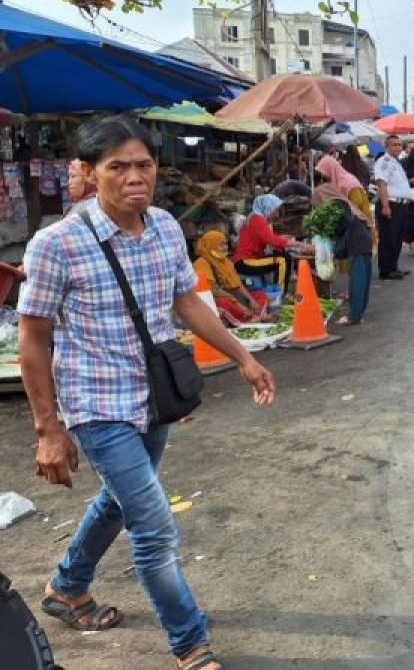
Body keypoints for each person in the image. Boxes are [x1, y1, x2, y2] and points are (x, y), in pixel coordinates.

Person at [17, 115, 276, 670]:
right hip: (95, 404)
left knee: (121, 499)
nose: (136, 176)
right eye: (118, 167)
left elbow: (187, 303)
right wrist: (48, 429)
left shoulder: (162, 227)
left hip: (153, 398)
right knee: (155, 527)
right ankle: (191, 645)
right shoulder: (56, 244)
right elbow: (32, 338)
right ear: (88, 173)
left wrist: (245, 359)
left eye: (144, 164)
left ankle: (67, 587)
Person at [232, 194, 310, 294]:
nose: (278, 214)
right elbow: (273, 241)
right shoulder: (257, 220)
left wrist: (283, 239)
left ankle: (279, 291)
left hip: (252, 259)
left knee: (285, 256)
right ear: (268, 207)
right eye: (276, 210)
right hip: (245, 262)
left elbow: (269, 239)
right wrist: (301, 245)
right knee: (282, 261)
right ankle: (280, 294)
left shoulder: (258, 218)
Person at [193, 231, 267, 325]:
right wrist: (238, 305)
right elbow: (215, 291)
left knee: (259, 294)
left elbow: (238, 284)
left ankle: (254, 316)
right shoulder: (201, 263)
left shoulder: (226, 262)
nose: (225, 248)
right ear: (210, 246)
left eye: (226, 244)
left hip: (232, 295)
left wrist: (251, 300)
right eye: (221, 245)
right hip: (216, 298)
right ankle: (247, 319)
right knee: (224, 304)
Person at [373, 135, 414, 279]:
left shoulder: (396, 163)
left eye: (399, 144)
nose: (398, 147)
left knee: (397, 238)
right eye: (394, 144)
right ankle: (386, 270)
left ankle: (393, 266)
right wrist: (385, 206)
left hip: (401, 205)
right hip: (391, 204)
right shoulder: (384, 162)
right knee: (388, 239)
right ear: (387, 147)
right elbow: (382, 184)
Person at [328, 198, 374, 326]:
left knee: (357, 282)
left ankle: (354, 316)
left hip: (358, 246)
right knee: (363, 281)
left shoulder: (343, 218)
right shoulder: (351, 217)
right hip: (365, 243)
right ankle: (359, 312)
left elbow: (339, 230)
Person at [313, 154, 372, 231]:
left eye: (325, 174)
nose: (323, 178)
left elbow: (358, 207)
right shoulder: (336, 184)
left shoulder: (349, 184)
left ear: (332, 170)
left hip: (361, 226)